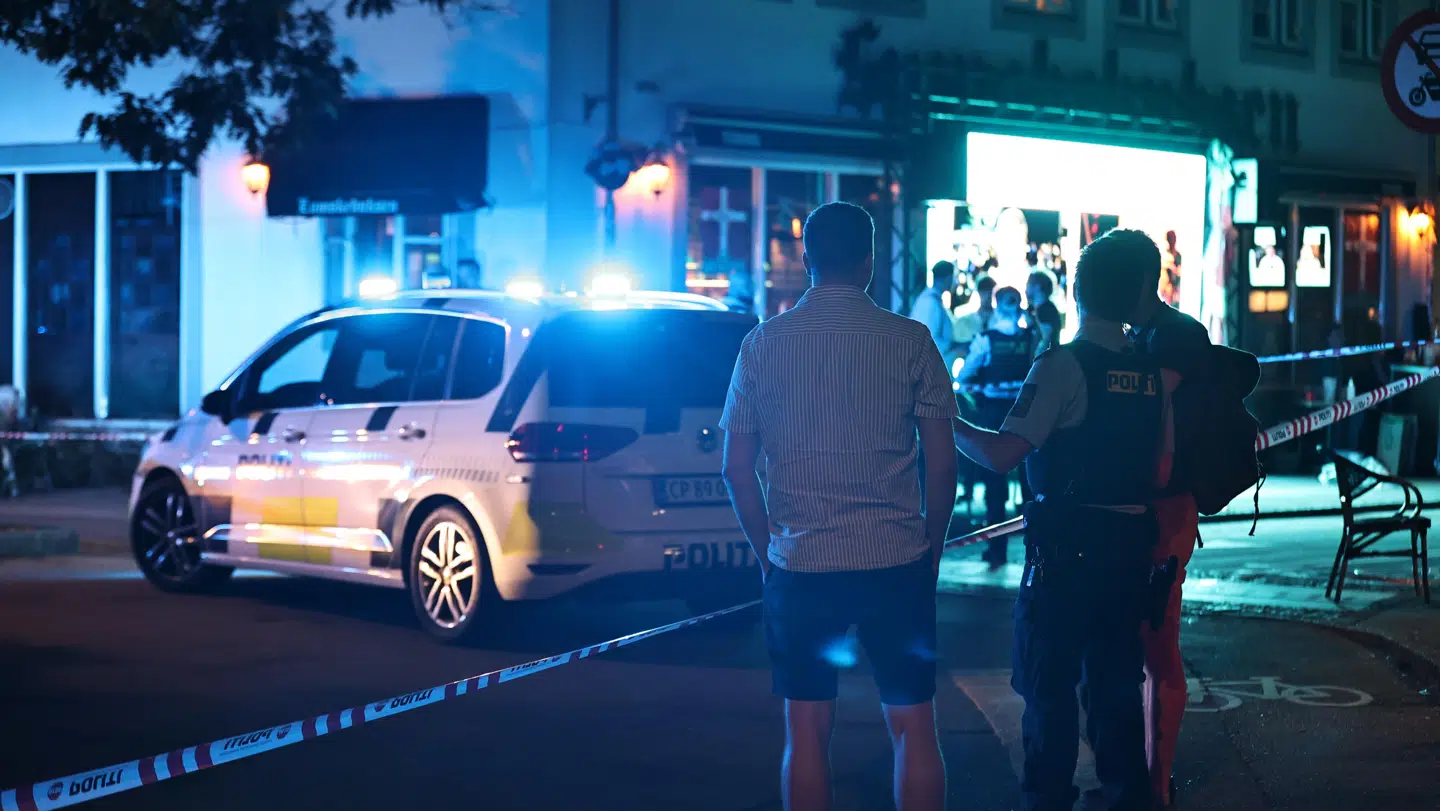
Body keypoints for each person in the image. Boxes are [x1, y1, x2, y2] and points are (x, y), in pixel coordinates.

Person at [720, 201, 959, 811]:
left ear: (806, 260)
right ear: (871, 263)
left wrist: (768, 552)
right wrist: (930, 546)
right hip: (896, 559)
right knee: (914, 726)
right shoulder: (912, 341)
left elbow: (736, 468)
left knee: (806, 731)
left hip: (802, 563)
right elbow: (941, 462)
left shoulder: (762, 346)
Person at [952, 229, 1170, 811]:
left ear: (1077, 291)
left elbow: (1003, 454)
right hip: (1129, 552)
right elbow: (1163, 461)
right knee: (1118, 690)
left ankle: (1048, 801)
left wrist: (945, 417)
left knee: (1048, 690)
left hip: (1066, 555)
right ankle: (1129, 798)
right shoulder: (1151, 374)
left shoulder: (1063, 367)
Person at [1124, 229, 1211, 809]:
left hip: (1167, 509)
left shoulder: (1178, 335)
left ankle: (1157, 783)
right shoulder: (1138, 335)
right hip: (1133, 509)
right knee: (1129, 646)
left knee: (1159, 648)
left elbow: (1152, 406)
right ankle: (1141, 775)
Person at [958, 286, 1036, 569]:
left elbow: (965, 374)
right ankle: (1034, 550)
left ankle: (996, 548)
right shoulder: (1030, 337)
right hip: (1027, 415)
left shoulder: (986, 340)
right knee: (1031, 483)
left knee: (995, 482)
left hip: (994, 416)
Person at [910, 260, 963, 372]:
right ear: (948, 278)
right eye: (954, 277)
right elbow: (930, 340)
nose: (956, 282)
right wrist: (956, 347)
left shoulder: (931, 300)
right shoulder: (930, 303)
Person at [953, 273, 997, 348]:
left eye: (990, 292)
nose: (988, 296)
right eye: (984, 292)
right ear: (979, 293)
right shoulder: (965, 321)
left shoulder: (1001, 320)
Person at [1026, 270, 1063, 355]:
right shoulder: (1035, 309)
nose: (1026, 288)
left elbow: (1046, 339)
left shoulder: (1046, 310)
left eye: (1028, 284)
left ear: (1037, 287)